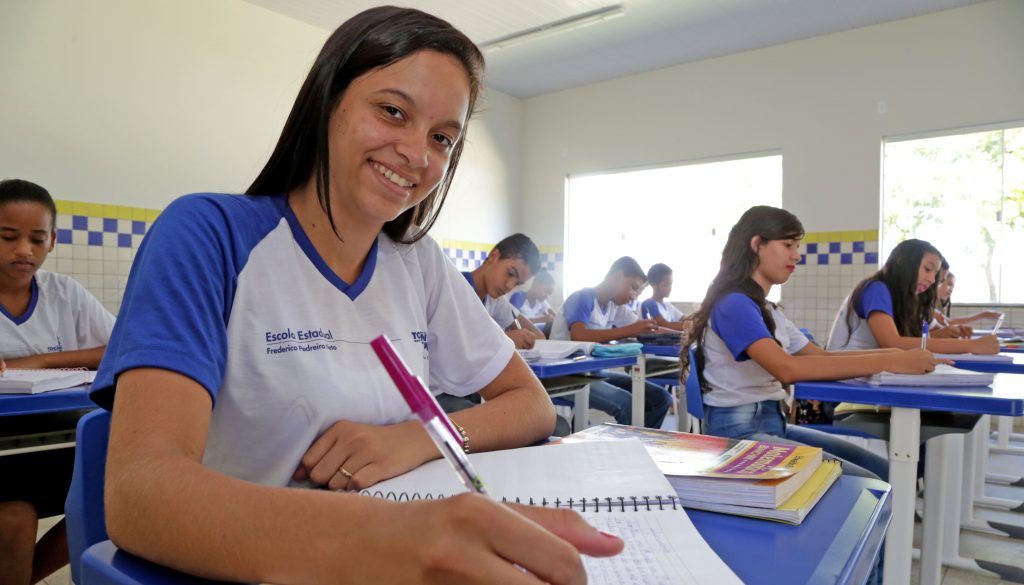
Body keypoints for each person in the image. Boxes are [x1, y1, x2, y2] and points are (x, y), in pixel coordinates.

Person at [90, 8, 622, 584]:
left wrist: (418, 438)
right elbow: (140, 494)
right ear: (326, 102)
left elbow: (530, 405)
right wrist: (391, 538)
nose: (418, 156)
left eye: (442, 138)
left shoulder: (418, 262)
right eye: (393, 111)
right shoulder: (209, 233)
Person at [685, 206, 945, 481]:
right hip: (738, 434)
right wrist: (893, 360)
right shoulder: (735, 303)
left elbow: (821, 356)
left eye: (797, 246)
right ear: (757, 244)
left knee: (880, 470)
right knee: (870, 482)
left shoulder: (768, 310)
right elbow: (787, 369)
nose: (796, 254)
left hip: (771, 423)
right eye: (788, 245)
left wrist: (894, 352)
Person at [0, 178, 115, 585]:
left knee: (105, 498)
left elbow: (120, 347)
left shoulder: (64, 293)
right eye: (8, 237)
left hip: (55, 438)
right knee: (15, 519)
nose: (23, 251)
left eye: (36, 238)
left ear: (53, 241)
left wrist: (39, 360)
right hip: (5, 448)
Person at [550, 256, 672, 429]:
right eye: (633, 288)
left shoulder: (615, 306)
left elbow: (646, 327)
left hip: (593, 372)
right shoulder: (583, 297)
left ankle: (640, 444)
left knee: (661, 398)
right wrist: (631, 330)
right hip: (566, 376)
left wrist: (678, 334)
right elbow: (579, 336)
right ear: (617, 276)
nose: (633, 296)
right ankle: (626, 452)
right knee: (627, 403)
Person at [826, 239, 999, 355]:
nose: (932, 280)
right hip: (845, 388)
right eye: (927, 269)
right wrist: (971, 346)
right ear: (905, 263)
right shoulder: (876, 289)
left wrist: (944, 335)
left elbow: (910, 341)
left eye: (935, 274)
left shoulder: (905, 298)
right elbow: (892, 343)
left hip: (867, 380)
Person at [462, 233, 546, 349]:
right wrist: (506, 339)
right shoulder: (455, 289)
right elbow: (454, 345)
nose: (509, 286)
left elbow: (539, 337)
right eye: (510, 273)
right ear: (494, 256)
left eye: (517, 284)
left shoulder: (495, 300)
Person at [934, 268, 1002, 335]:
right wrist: (984, 314)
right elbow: (950, 322)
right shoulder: (929, 307)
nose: (951, 290)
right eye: (949, 284)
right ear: (938, 282)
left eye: (953, 287)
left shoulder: (937, 306)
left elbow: (947, 324)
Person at [640, 263, 691, 334]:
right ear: (653, 284)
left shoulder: (668, 306)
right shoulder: (649, 303)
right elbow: (664, 325)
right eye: (666, 285)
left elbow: (685, 319)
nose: (669, 288)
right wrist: (689, 325)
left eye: (670, 284)